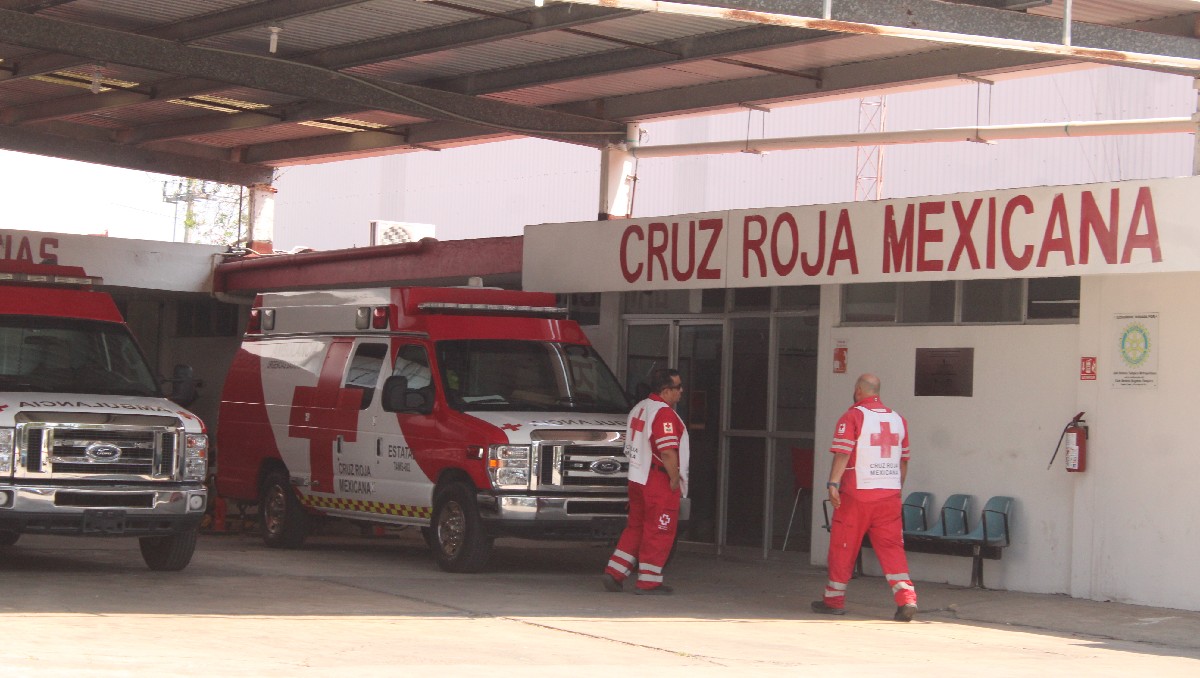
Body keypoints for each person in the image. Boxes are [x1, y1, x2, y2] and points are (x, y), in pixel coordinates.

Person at [811, 373, 918, 622]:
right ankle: (907, 599)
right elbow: (903, 461)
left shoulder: (853, 416)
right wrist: (895, 488)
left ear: (859, 390)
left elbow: (842, 453)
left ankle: (834, 599)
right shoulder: (899, 420)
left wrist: (833, 484)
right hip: (889, 495)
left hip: (857, 495)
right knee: (892, 548)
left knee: (843, 545)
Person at [602, 368, 690, 595]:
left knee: (636, 527)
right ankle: (649, 582)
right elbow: (668, 451)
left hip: (637, 477)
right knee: (659, 530)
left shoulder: (639, 408)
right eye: (678, 387)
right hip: (657, 479)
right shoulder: (664, 413)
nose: (682, 391)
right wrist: (674, 478)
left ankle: (615, 572)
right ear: (666, 390)